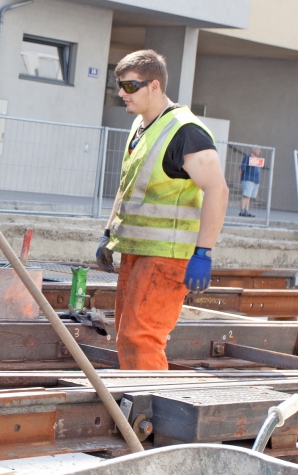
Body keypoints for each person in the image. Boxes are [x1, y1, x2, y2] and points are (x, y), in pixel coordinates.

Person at [95, 49, 229, 370]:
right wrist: (109, 232)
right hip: (138, 250)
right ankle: (134, 406)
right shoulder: (142, 127)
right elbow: (128, 187)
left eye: (129, 87)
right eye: (119, 86)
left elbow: (217, 189)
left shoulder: (185, 131)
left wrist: (203, 253)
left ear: (154, 86)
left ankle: (149, 410)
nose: (121, 94)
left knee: (140, 336)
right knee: (128, 335)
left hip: (168, 255)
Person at [240, 146, 262, 217]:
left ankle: (246, 210)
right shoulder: (248, 157)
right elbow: (242, 168)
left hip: (255, 180)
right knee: (246, 195)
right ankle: (242, 211)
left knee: (249, 196)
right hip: (248, 179)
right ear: (254, 150)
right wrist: (242, 178)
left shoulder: (257, 159)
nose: (259, 151)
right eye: (258, 150)